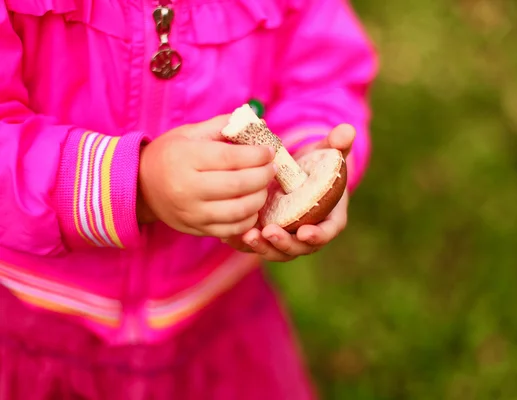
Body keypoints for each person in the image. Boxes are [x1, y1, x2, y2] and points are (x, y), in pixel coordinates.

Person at [0, 0, 377, 398]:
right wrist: (135, 184)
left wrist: (304, 157)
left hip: (214, 318)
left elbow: (321, 76)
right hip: (31, 322)